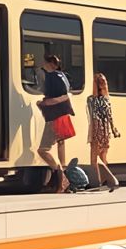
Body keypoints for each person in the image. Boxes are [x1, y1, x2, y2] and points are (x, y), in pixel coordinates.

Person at [37, 52, 76, 193]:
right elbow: (67, 94)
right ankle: (59, 178)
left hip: (54, 116)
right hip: (63, 116)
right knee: (60, 145)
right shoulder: (62, 75)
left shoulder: (51, 76)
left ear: (49, 64)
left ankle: (60, 175)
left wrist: (45, 102)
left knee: (43, 150)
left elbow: (60, 96)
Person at [85, 72, 122, 192]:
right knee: (103, 158)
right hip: (106, 131)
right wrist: (114, 130)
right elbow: (110, 117)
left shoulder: (91, 99)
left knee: (94, 159)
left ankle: (102, 182)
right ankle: (107, 180)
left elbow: (91, 117)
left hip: (97, 130)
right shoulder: (107, 99)